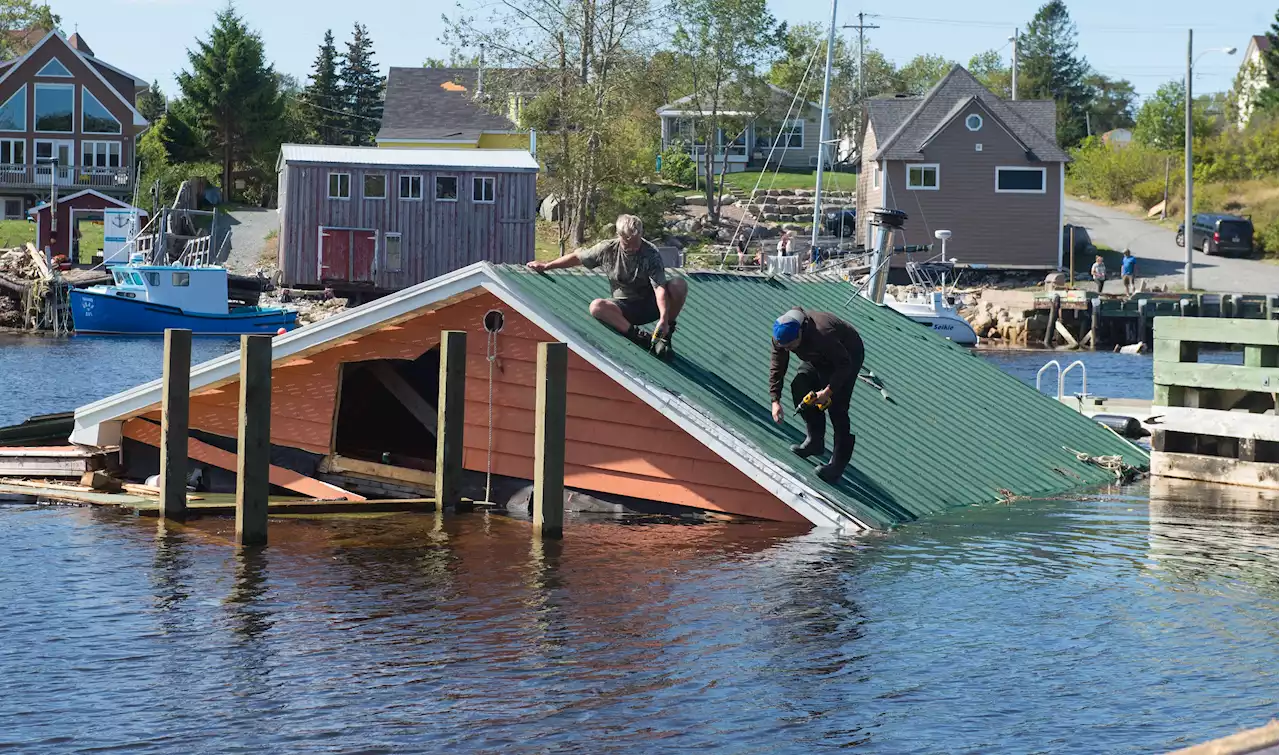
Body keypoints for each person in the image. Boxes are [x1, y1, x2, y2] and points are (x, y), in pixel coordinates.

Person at [527, 214, 688, 360]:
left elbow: (659, 288)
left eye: (636, 243)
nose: (633, 247)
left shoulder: (650, 253)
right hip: (624, 308)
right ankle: (641, 337)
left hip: (649, 305)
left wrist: (664, 318)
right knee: (596, 307)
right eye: (628, 243)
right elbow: (578, 257)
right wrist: (547, 266)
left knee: (679, 285)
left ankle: (665, 335)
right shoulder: (607, 249)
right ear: (619, 236)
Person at [768, 307, 865, 484]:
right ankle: (815, 441)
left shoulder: (822, 334)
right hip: (817, 356)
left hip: (846, 356)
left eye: (791, 346)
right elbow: (778, 364)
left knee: (837, 406)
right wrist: (775, 400)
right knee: (801, 384)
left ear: (800, 332)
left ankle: (837, 465)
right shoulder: (782, 337)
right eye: (785, 347)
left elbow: (844, 365)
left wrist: (828, 391)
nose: (788, 350)